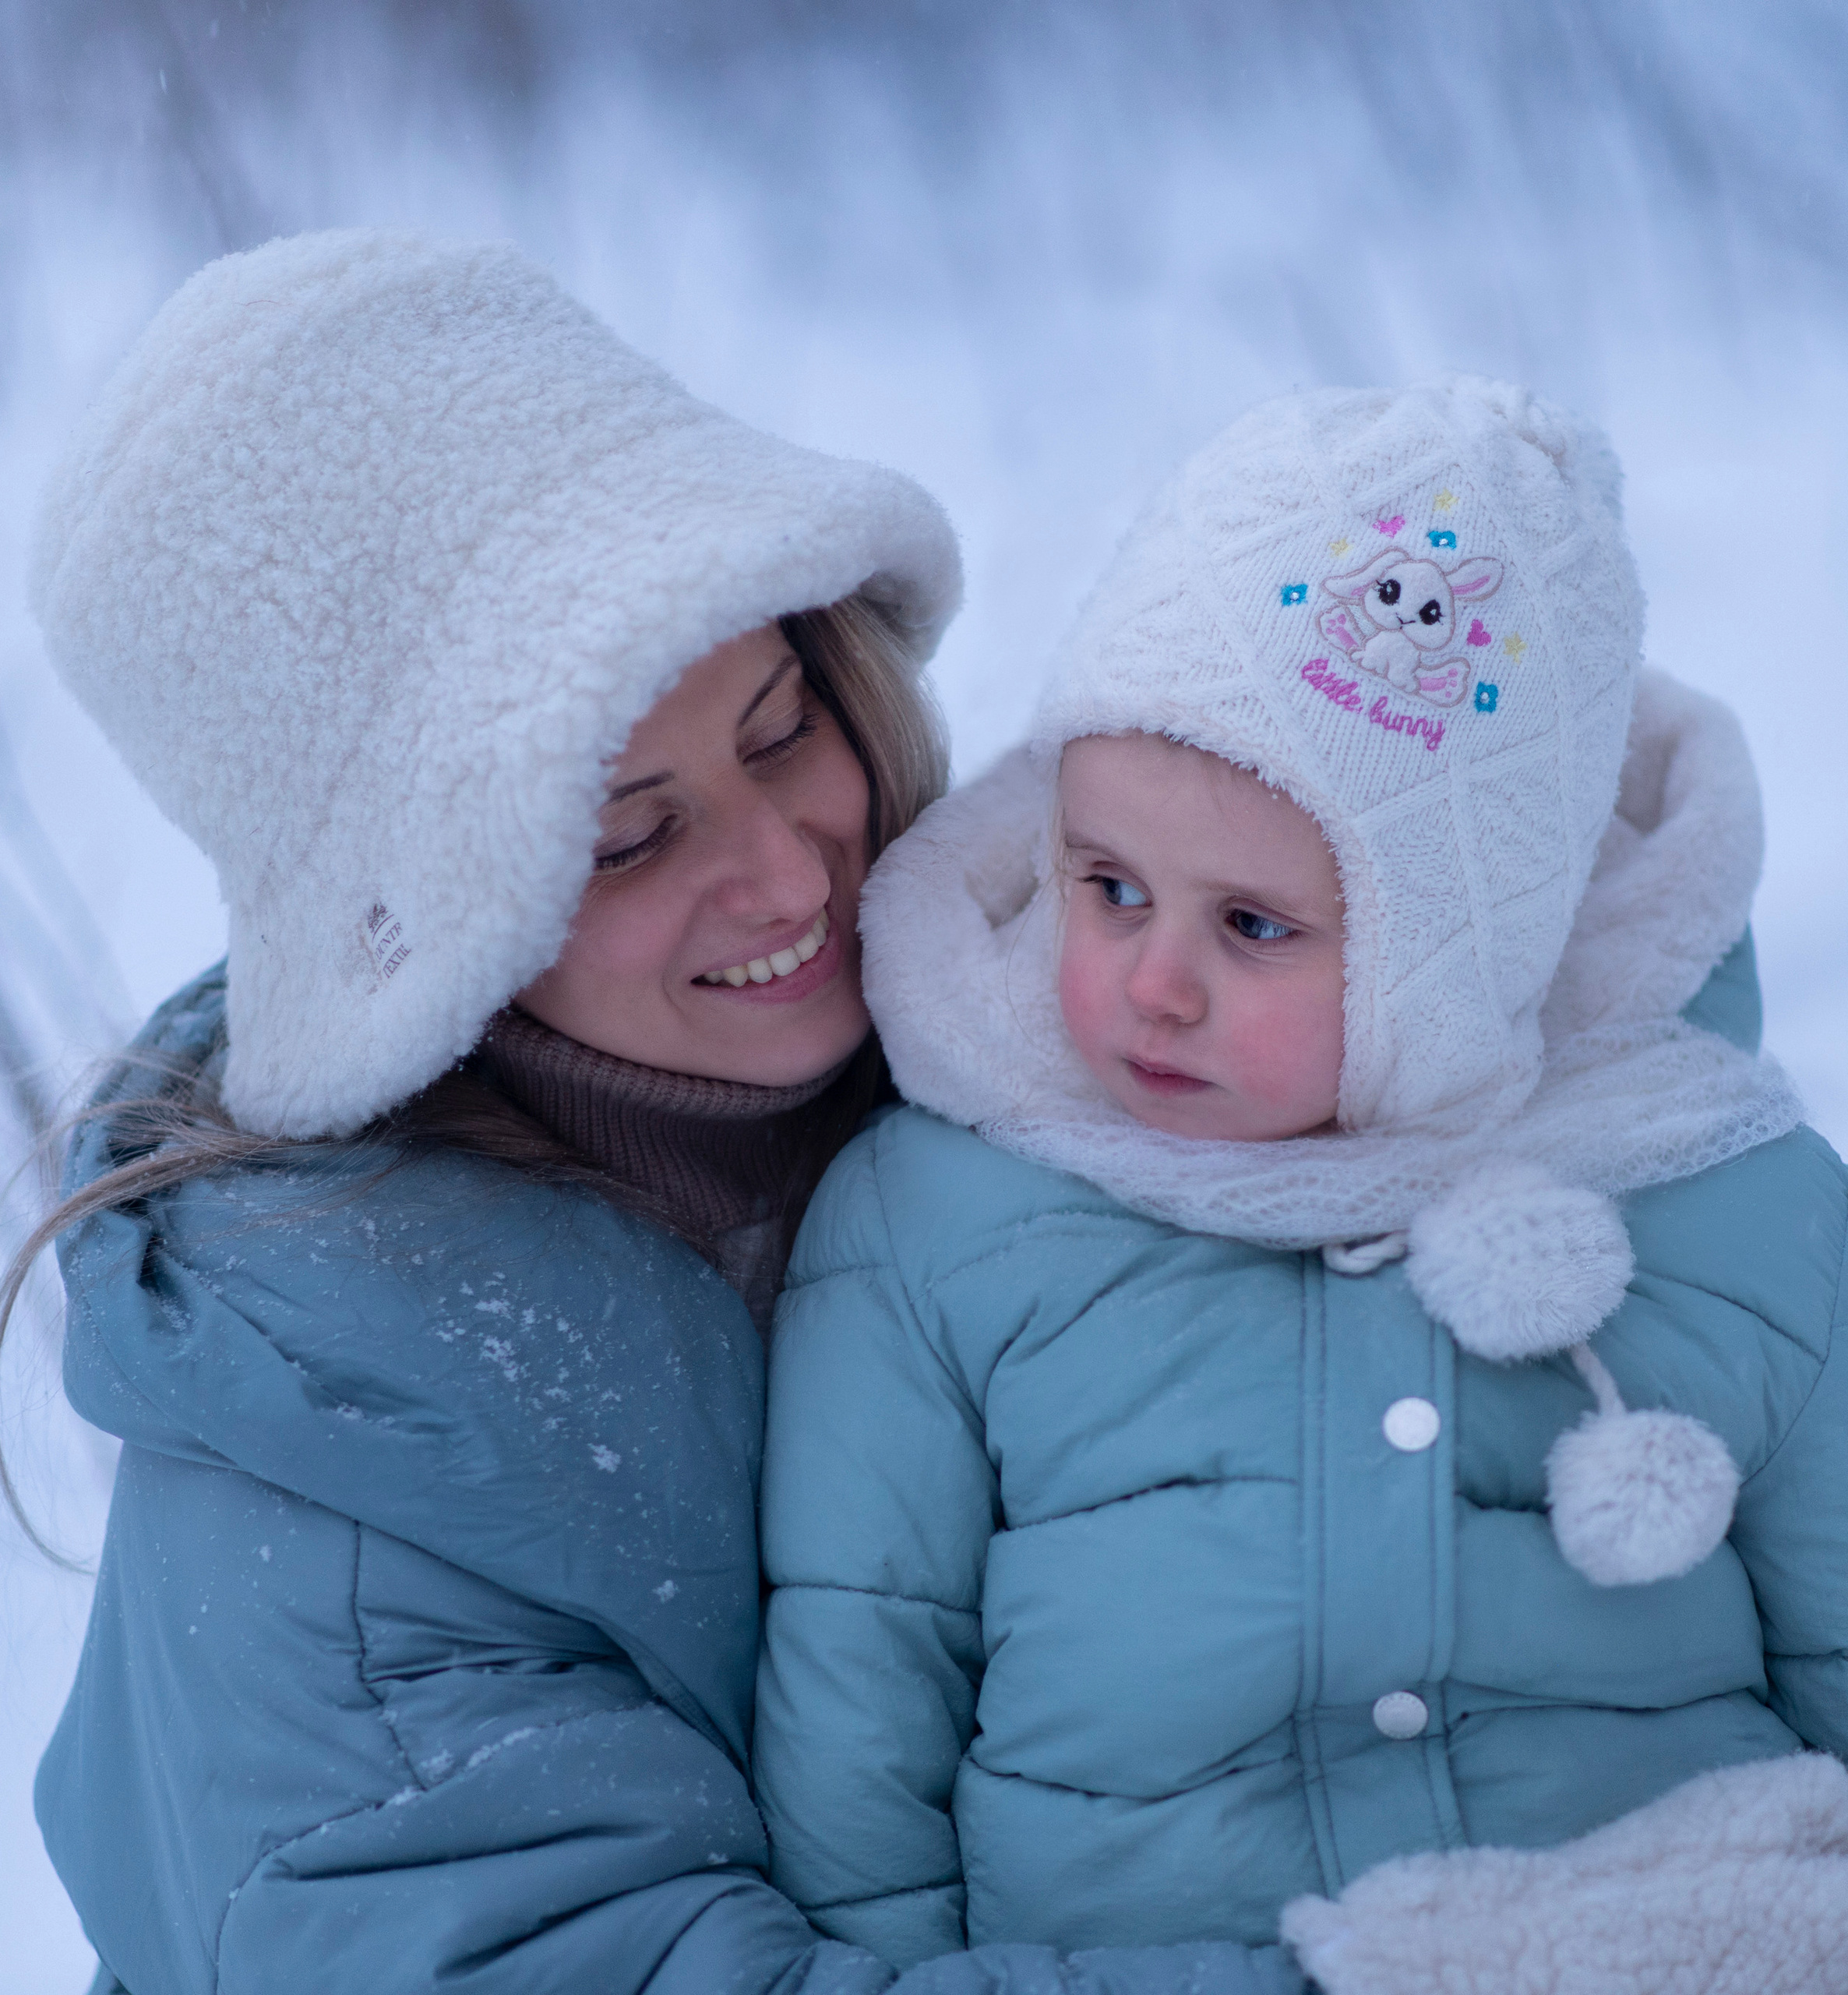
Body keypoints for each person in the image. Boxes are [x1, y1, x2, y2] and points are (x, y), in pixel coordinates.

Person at [10, 229, 1303, 1994]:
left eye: (781, 733)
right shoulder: (352, 1502)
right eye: (624, 837)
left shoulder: (1028, 1034)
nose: (788, 874)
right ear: (417, 937)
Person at [753, 379, 1848, 1990]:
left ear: (1458, 951)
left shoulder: (1748, 1219)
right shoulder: (936, 1224)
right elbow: (860, 1689)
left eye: (1253, 925)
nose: (1152, 985)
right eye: (1108, 886)